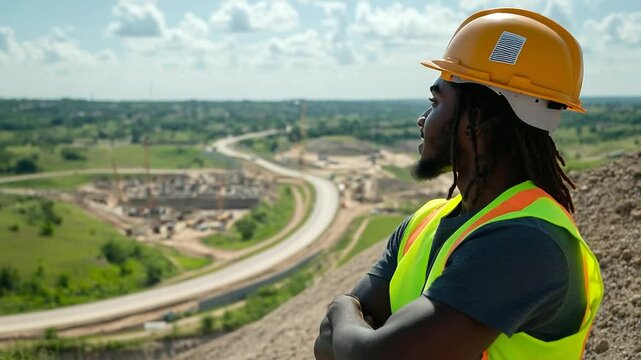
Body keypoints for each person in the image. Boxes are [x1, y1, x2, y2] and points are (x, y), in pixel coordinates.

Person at [314, 8, 603, 360]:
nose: (422, 119)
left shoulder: (528, 242)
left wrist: (342, 307)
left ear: (479, 119)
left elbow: (370, 353)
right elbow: (329, 346)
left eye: (436, 102)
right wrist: (352, 331)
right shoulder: (427, 220)